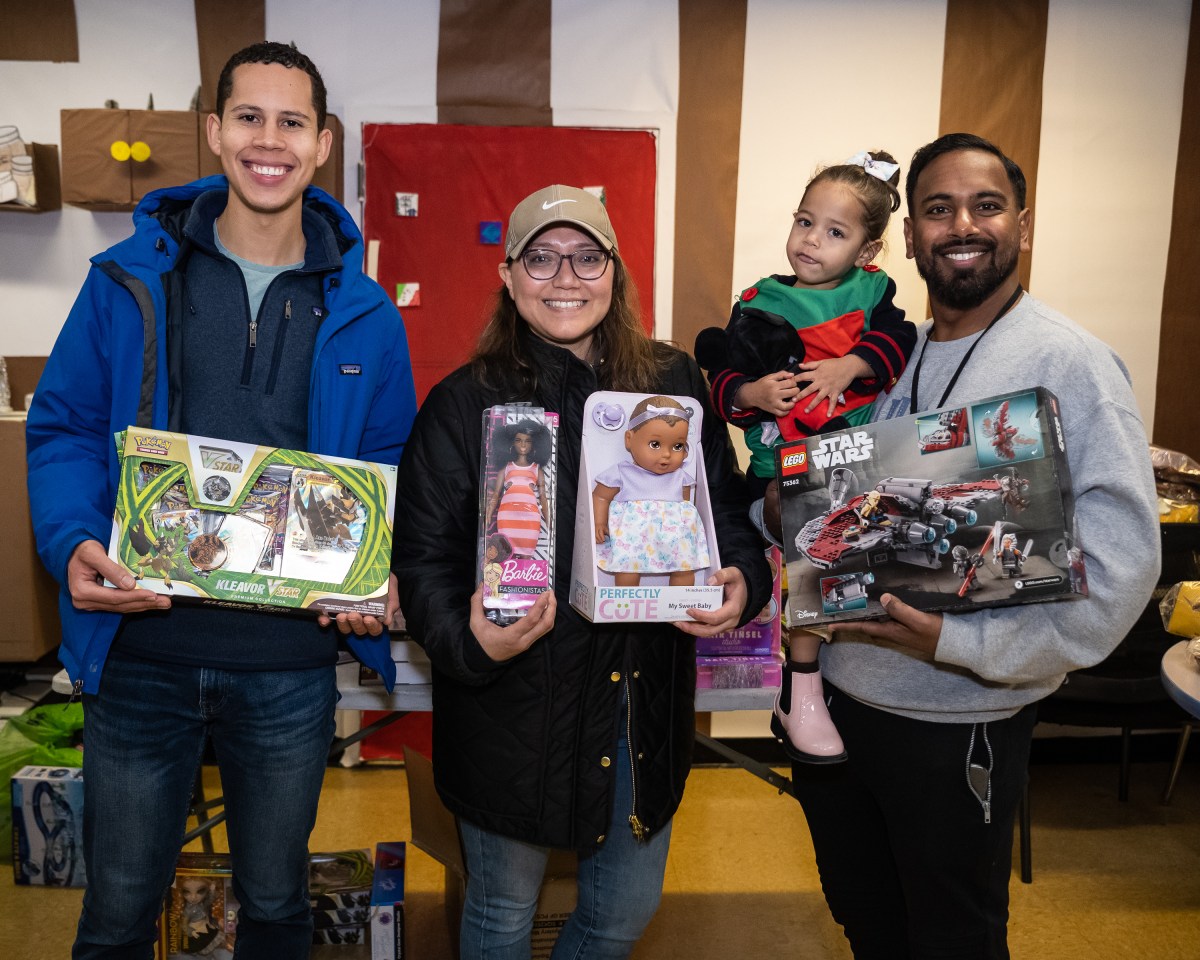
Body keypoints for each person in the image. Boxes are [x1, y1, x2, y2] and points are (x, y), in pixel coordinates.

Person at [25, 41, 416, 959]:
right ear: (214, 131)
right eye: (249, 117)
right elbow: (67, 428)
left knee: (276, 904)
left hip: (287, 666)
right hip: (142, 653)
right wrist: (73, 536)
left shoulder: (364, 311)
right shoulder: (127, 279)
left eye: (292, 122)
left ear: (322, 144)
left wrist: (378, 571)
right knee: (117, 911)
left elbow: (388, 461)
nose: (268, 140)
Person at [780, 133, 1160, 958]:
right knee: (867, 922)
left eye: (986, 206)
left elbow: (1127, 560)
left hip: (958, 722)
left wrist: (964, 642)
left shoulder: (1071, 362)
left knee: (954, 939)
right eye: (938, 208)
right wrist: (778, 513)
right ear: (909, 235)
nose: (963, 225)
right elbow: (832, 513)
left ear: (1022, 226)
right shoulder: (889, 357)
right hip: (841, 706)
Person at [389, 184, 770, 959]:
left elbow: (723, 512)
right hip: (511, 704)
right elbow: (422, 560)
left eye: (586, 256)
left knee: (624, 911)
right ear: (508, 274)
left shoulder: (673, 383)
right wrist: (468, 645)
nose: (565, 277)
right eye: (542, 257)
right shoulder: (465, 404)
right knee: (500, 912)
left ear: (615, 271)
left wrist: (741, 578)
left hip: (636, 698)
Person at [695, 151, 917, 765]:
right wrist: (748, 392)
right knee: (805, 567)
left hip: (856, 459)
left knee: (847, 571)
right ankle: (801, 685)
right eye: (804, 222)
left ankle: (812, 684)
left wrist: (854, 362)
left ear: (867, 252)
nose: (811, 240)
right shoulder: (761, 300)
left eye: (834, 232)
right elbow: (720, 371)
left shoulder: (873, 294)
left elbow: (900, 341)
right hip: (782, 468)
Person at [592, 394, 711, 587]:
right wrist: (598, 521)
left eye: (677, 446)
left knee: (683, 567)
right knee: (627, 567)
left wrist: (690, 532)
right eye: (655, 444)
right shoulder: (623, 472)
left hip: (675, 537)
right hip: (634, 536)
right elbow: (600, 496)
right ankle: (626, 602)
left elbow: (686, 507)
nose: (666, 454)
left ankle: (679, 602)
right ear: (629, 440)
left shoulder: (680, 477)